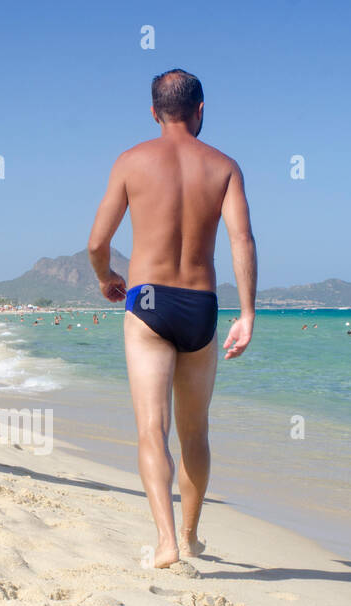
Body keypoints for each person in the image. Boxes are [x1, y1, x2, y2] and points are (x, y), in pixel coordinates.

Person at [88, 68, 255, 568]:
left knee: (150, 431)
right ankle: (190, 535)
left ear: (154, 111)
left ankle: (164, 543)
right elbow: (242, 240)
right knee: (195, 433)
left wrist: (105, 277)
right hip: (202, 306)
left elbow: (97, 242)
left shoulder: (131, 161)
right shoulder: (224, 166)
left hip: (149, 302)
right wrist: (247, 312)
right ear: (201, 109)